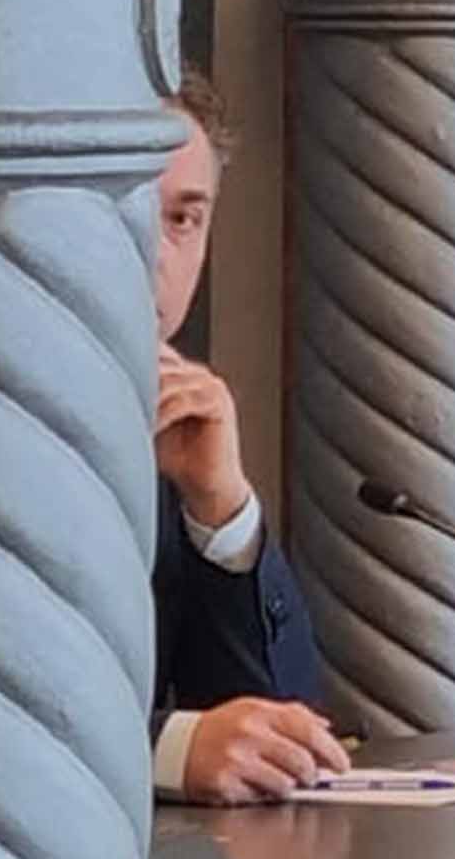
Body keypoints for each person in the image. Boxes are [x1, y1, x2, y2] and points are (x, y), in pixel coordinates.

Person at [149, 78, 348, 807]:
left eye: (182, 218)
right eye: (122, 208)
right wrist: (168, 749)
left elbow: (278, 734)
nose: (154, 256)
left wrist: (220, 512)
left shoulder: (166, 419)